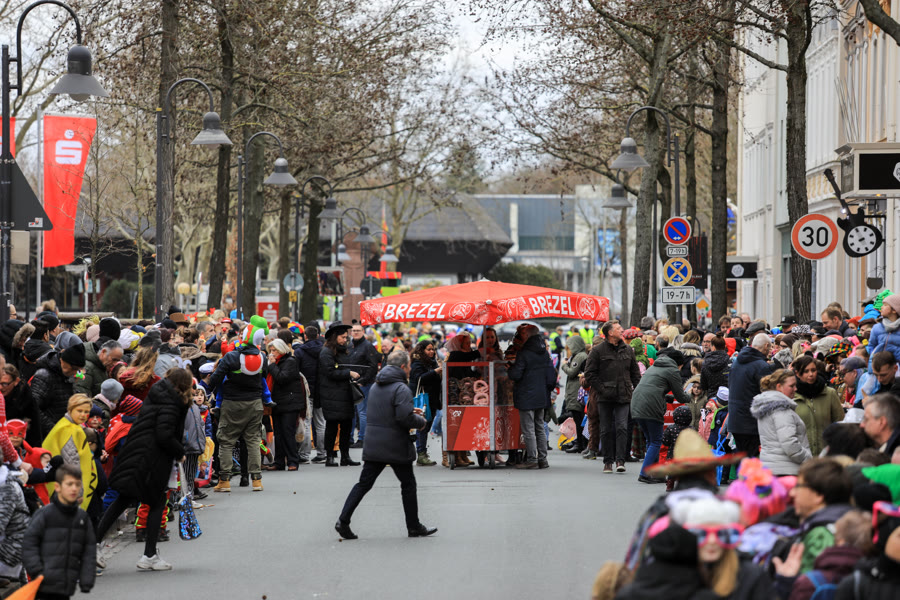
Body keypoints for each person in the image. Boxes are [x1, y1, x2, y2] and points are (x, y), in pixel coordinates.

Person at [94, 369, 193, 571]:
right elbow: (164, 434)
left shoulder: (157, 394)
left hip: (136, 453)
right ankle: (149, 555)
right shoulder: (172, 403)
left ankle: (95, 543)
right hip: (152, 459)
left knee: (124, 499)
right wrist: (179, 451)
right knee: (157, 502)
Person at [334, 351, 437, 540]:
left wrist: (409, 413)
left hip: (375, 442)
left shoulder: (376, 385)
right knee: (408, 484)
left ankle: (343, 520)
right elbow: (404, 417)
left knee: (364, 483)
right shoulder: (401, 388)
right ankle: (413, 526)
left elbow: (384, 411)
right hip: (395, 444)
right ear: (404, 367)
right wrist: (420, 421)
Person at [209, 318, 270, 492]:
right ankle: (257, 480)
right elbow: (264, 376)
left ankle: (224, 481)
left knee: (226, 441)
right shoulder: (262, 357)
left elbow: (215, 379)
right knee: (253, 441)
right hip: (255, 403)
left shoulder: (231, 357)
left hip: (231, 403)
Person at [22, 464, 95, 598]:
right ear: (57, 487)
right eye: (69, 484)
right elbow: (29, 544)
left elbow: (89, 549)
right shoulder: (44, 515)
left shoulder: (81, 517)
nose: (74, 488)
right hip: (44, 582)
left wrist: (87, 577)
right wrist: (37, 571)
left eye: (77, 484)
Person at [583, 321, 641, 471]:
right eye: (618, 328)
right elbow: (589, 374)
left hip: (624, 395)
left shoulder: (628, 350)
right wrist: (602, 389)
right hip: (605, 397)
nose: (622, 330)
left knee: (622, 427)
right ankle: (608, 461)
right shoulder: (598, 351)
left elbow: (635, 373)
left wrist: (638, 390)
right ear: (610, 333)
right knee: (606, 429)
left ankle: (620, 461)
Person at [631, 348, 690, 483]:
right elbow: (681, 396)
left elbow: (652, 388)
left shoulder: (654, 366)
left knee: (651, 440)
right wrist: (690, 395)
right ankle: (644, 474)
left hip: (636, 404)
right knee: (656, 441)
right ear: (678, 363)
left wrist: (667, 397)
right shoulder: (673, 370)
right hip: (651, 407)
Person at [789, 458, 854, 573]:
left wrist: (786, 579)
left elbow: (809, 581)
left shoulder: (821, 535)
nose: (792, 493)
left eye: (798, 486)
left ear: (818, 495)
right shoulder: (839, 522)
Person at [507, 324, 555, 469]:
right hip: (541, 395)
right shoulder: (544, 352)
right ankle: (543, 459)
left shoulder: (524, 353)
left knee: (528, 429)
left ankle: (532, 459)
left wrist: (510, 368)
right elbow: (551, 375)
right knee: (539, 427)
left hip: (526, 396)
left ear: (527, 336)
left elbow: (516, 374)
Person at [41, 394, 98, 512]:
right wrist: (78, 492)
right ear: (70, 409)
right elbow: (71, 463)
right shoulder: (69, 429)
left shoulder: (68, 426)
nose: (83, 415)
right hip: (63, 489)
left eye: (86, 412)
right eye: (79, 411)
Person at [750, 369, 812, 476]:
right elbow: (790, 444)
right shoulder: (781, 411)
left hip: (771, 467)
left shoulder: (767, 407)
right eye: (791, 386)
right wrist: (807, 459)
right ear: (779, 387)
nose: (795, 389)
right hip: (787, 470)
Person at [318, 323, 361, 468]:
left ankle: (345, 456)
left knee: (346, 427)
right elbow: (330, 372)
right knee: (332, 427)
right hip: (331, 395)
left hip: (344, 394)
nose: (345, 340)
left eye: (346, 337)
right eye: (342, 337)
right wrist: (349, 373)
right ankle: (330, 456)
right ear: (335, 337)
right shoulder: (326, 352)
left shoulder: (343, 351)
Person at [727, 333, 775, 458]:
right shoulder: (762, 366)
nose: (771, 350)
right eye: (771, 347)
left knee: (743, 460)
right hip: (752, 423)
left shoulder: (737, 362)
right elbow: (769, 394)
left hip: (736, 421)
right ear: (766, 346)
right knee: (752, 460)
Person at [266, 338, 307, 471]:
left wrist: (272, 366)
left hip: (290, 402)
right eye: (271, 350)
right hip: (277, 402)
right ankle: (279, 462)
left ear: (282, 349)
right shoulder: (275, 362)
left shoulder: (290, 361)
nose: (272, 353)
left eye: (275, 350)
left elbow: (282, 378)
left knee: (288, 432)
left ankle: (292, 460)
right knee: (278, 433)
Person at [791, 355, 845, 457]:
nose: (811, 374)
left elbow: (840, 423)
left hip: (826, 454)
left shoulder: (830, 394)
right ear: (797, 373)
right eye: (806, 371)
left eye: (813, 370)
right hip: (801, 456)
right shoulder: (791, 396)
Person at [32, 343, 86, 435]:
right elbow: (34, 408)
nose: (74, 372)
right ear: (62, 360)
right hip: (47, 434)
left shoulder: (66, 376)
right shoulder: (44, 376)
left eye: (77, 370)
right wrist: (53, 429)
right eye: (73, 368)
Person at [296, 325, 326, 462]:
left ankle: (304, 454)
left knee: (306, 422)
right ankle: (322, 453)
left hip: (306, 391)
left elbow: (296, 372)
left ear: (305, 336)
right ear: (318, 335)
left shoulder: (300, 352)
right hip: (321, 390)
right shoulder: (325, 351)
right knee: (321, 423)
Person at [409, 340, 441, 467]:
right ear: (422, 350)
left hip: (432, 399)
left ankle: (422, 453)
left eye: (433, 349)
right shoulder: (417, 362)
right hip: (424, 399)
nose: (431, 351)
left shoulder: (432, 361)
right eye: (429, 349)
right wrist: (436, 371)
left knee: (426, 427)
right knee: (423, 426)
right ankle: (421, 454)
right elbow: (419, 379)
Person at [347, 323, 379, 448]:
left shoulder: (368, 346)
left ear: (363, 332)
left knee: (362, 412)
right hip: (351, 383)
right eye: (354, 330)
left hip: (363, 384)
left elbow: (373, 366)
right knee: (351, 412)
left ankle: (362, 438)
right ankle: (349, 438)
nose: (355, 332)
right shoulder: (349, 346)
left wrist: (364, 380)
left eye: (358, 330)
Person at [561, 334, 589, 454]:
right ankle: (581, 443)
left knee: (578, 419)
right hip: (575, 390)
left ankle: (580, 444)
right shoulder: (581, 356)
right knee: (578, 419)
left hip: (576, 391)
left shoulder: (579, 356)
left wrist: (563, 365)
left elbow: (572, 372)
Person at [1, 364, 42, 446]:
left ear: (16, 381)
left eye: (5, 384)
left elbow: (35, 431)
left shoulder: (26, 399)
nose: (0, 387)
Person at [860, 393, 900, 458]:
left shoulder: (895, 458)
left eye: (866, 419)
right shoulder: (886, 449)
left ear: (881, 422)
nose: (862, 425)